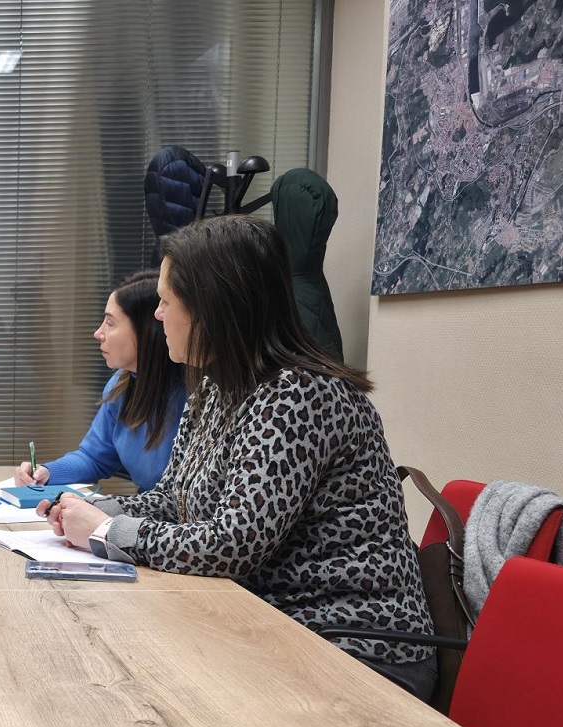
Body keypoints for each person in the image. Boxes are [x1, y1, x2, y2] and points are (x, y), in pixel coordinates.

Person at [44, 216, 436, 698]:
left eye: (167, 302)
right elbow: (173, 498)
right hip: (276, 626)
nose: (159, 316)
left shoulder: (298, 395)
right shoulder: (215, 387)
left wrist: (106, 532)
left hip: (357, 649)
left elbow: (235, 543)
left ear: (211, 307)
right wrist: (85, 511)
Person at [13, 270, 186, 491]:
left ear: (147, 330)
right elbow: (94, 458)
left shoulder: (196, 394)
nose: (98, 333)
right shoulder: (122, 384)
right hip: (144, 514)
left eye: (110, 323)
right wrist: (47, 472)